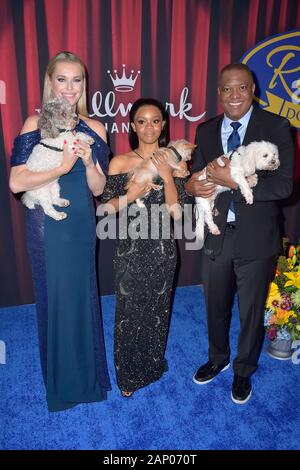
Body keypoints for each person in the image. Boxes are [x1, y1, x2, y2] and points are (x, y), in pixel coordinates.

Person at [186, 63, 294, 404]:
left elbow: (284, 185)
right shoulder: (205, 130)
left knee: (250, 312)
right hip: (217, 232)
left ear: (254, 92)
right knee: (214, 303)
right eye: (227, 89)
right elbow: (198, 176)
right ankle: (218, 359)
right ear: (218, 93)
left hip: (257, 236)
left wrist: (232, 182)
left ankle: (243, 369)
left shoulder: (276, 126)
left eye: (242, 88)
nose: (234, 95)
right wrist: (190, 185)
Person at [9, 51, 111, 411]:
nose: (69, 88)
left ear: (84, 85)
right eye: (62, 80)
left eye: (77, 80)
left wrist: (86, 161)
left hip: (82, 222)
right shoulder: (33, 123)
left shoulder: (95, 128)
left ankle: (88, 378)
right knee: (55, 297)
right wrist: (63, 165)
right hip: (46, 224)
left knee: (83, 295)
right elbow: (17, 181)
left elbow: (99, 189)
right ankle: (61, 383)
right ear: (50, 82)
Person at [100, 98, 188, 397]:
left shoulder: (177, 161)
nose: (148, 126)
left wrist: (166, 175)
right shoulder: (119, 162)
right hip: (130, 249)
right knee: (128, 314)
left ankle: (150, 366)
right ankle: (127, 378)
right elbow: (106, 209)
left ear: (163, 125)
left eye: (155, 120)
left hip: (163, 248)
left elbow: (179, 212)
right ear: (132, 125)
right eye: (141, 120)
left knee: (157, 311)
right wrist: (132, 192)